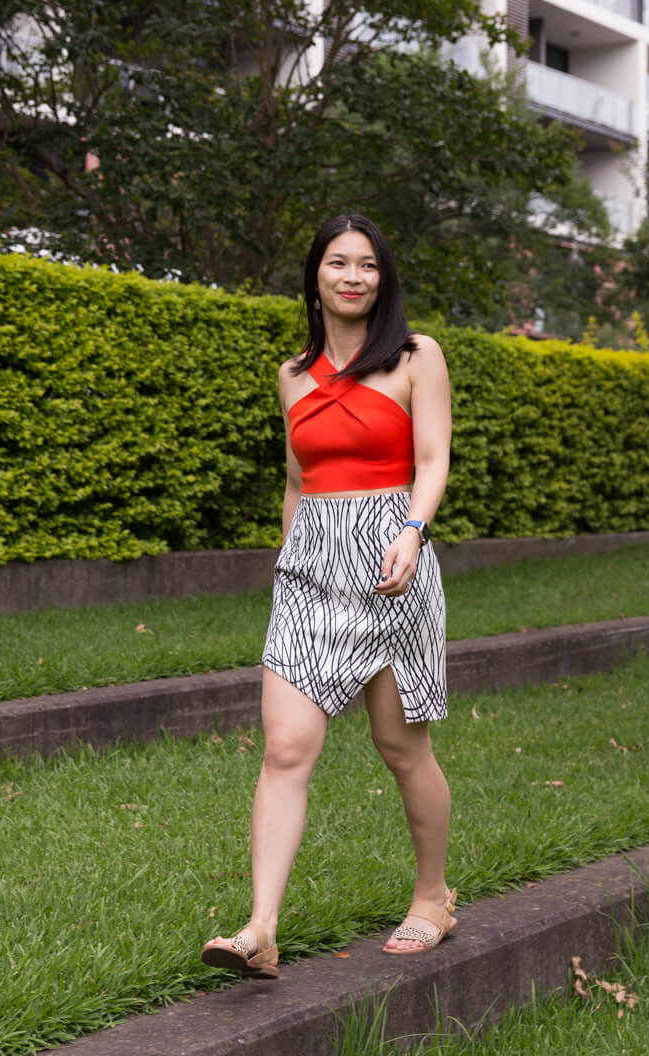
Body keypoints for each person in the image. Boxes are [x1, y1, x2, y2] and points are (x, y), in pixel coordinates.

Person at [200, 214, 455, 980]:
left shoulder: (417, 357)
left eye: (367, 265)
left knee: (400, 748)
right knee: (284, 748)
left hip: (391, 557)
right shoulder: (290, 375)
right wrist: (288, 562)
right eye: (337, 263)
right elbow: (296, 481)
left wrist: (412, 530)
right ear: (315, 275)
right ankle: (261, 927)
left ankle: (434, 894)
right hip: (310, 568)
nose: (352, 276)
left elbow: (435, 457)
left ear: (384, 278)